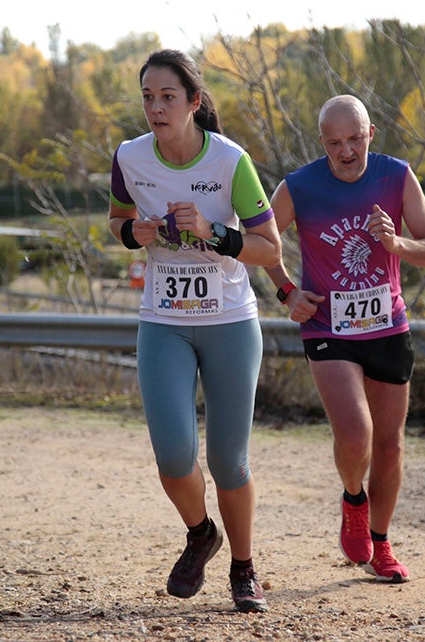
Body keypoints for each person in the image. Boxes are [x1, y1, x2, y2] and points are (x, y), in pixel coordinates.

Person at [108, 49, 282, 613]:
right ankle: (202, 532)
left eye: (168, 98)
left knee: (230, 462)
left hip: (230, 320)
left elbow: (269, 248)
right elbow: (117, 223)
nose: (156, 108)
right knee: (174, 457)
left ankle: (244, 568)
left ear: (194, 103)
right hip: (164, 322)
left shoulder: (230, 161)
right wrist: (137, 231)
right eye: (148, 98)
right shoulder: (129, 157)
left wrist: (214, 233)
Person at [264, 95, 425, 583]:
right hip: (328, 328)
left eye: (354, 139)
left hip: (388, 326)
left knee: (389, 446)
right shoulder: (299, 186)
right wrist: (286, 292)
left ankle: (382, 545)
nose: (346, 151)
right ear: (321, 143)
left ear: (371, 134)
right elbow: (258, 240)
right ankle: (353, 499)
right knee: (356, 433)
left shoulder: (396, 176)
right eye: (334, 142)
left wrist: (397, 244)